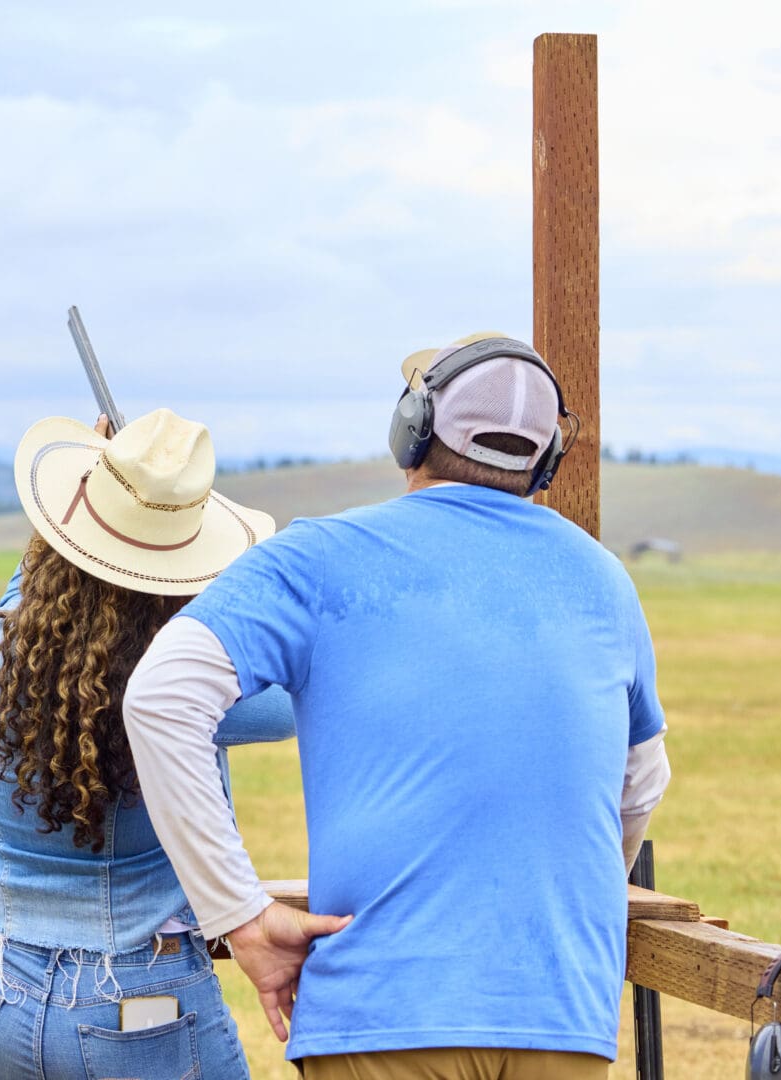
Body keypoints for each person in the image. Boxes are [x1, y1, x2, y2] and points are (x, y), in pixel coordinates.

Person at [123, 334, 672, 1080]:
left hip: (379, 1013)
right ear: (544, 459)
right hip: (561, 1016)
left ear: (411, 430)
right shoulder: (605, 580)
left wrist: (240, 915)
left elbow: (162, 696)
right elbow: (641, 780)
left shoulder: (319, 557)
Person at [0, 407, 295, 1080]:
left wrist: (93, 503)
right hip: (140, 996)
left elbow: (27, 585)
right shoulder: (175, 685)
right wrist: (204, 584)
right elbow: (286, 702)